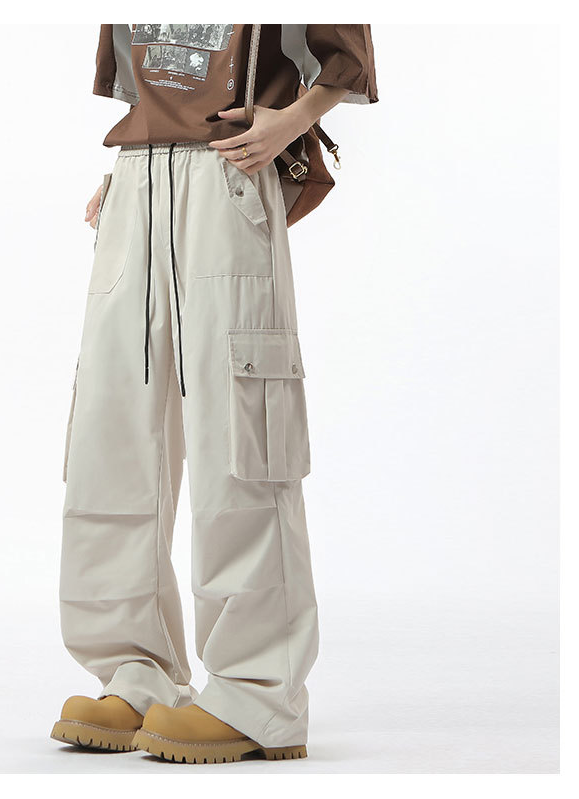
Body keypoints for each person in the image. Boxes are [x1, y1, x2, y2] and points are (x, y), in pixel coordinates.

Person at [51, 23, 378, 764]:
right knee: (112, 429)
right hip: (136, 184)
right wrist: (132, 171)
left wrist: (291, 122)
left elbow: (348, 54)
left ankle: (257, 694)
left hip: (228, 175)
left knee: (242, 436)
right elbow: (147, 82)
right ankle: (136, 672)